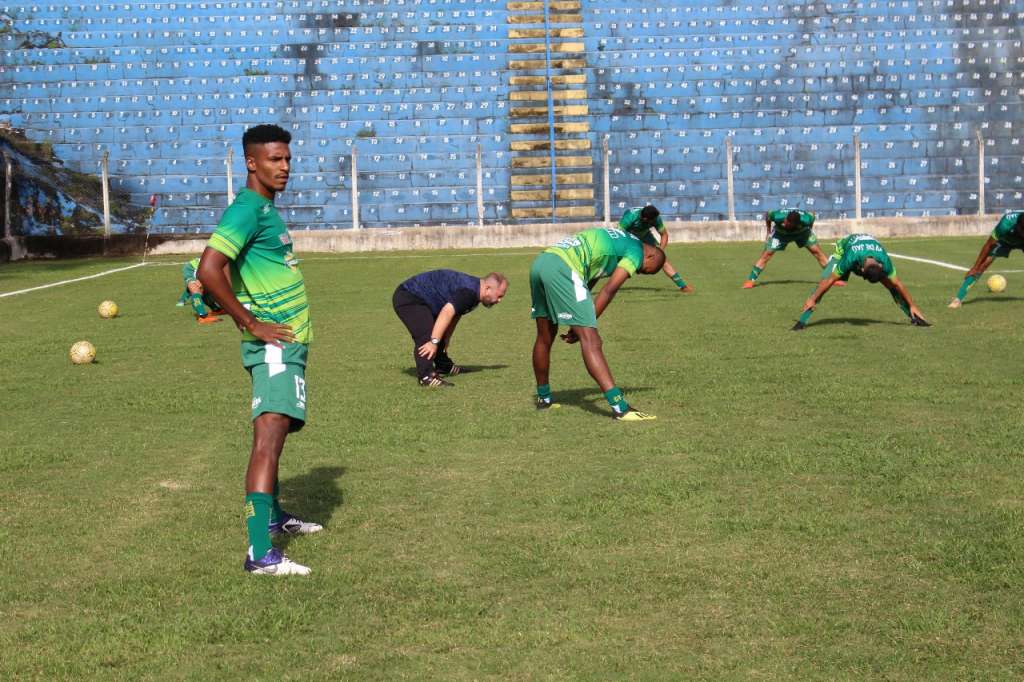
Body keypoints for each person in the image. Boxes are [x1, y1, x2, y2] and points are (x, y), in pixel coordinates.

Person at [197, 124, 321, 577]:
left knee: (279, 431)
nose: (284, 167)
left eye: (288, 158)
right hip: (273, 347)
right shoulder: (248, 208)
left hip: (288, 345)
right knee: (268, 439)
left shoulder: (265, 209)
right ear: (252, 162)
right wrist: (250, 322)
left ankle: (272, 517)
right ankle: (259, 554)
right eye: (274, 159)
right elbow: (210, 267)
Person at [530, 227, 666, 420]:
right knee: (592, 341)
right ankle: (620, 408)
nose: (637, 272)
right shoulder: (636, 250)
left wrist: (580, 317)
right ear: (650, 255)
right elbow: (609, 290)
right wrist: (585, 323)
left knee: (544, 337)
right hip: (564, 267)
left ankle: (544, 399)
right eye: (644, 270)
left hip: (542, 262)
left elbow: (587, 278)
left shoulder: (623, 239)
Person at [392, 270, 508, 386]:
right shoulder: (469, 292)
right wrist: (434, 341)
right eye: (499, 296)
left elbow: (455, 315)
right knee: (428, 337)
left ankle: (444, 366)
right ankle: (426, 377)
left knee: (439, 332)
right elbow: (447, 312)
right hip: (409, 297)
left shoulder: (475, 293)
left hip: (425, 300)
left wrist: (446, 338)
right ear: (488, 288)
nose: (499, 300)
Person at [792, 233, 930, 330]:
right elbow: (830, 280)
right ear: (861, 271)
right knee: (825, 281)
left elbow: (898, 283)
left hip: (867, 248)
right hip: (844, 248)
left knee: (892, 286)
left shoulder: (885, 261)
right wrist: (812, 298)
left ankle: (915, 317)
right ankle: (802, 321)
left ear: (880, 266)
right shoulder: (850, 259)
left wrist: (913, 305)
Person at [743, 209, 845, 289]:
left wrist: (810, 230)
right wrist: (769, 231)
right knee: (767, 254)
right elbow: (768, 215)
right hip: (780, 234)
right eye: (785, 221)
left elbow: (812, 215)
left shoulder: (806, 219)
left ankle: (833, 279)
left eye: (787, 223)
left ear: (796, 223)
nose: (784, 223)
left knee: (817, 252)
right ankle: (750, 280)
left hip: (802, 233)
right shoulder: (778, 216)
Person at [948, 211, 1024, 308]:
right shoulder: (1005, 224)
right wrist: (975, 267)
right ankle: (958, 299)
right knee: (984, 263)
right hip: (1004, 241)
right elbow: (989, 245)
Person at [618, 205, 693, 292]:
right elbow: (620, 234)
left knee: (663, 260)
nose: (656, 221)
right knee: (623, 260)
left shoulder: (655, 218)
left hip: (645, 236)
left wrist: (660, 252)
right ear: (645, 219)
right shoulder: (631, 216)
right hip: (628, 237)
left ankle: (683, 286)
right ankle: (613, 285)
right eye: (653, 220)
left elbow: (664, 235)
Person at [177, 257, 224, 323]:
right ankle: (202, 316)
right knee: (196, 288)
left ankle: (216, 310)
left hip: (206, 268)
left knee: (206, 290)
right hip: (192, 269)